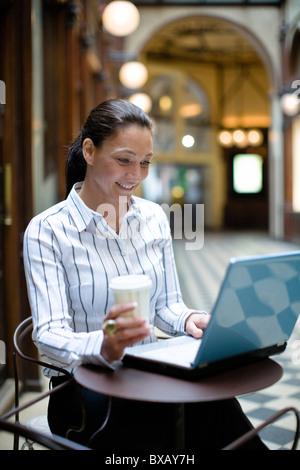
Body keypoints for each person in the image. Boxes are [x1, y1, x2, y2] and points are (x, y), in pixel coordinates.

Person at [23, 99, 267, 450]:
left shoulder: (152, 217)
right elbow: (47, 335)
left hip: (149, 374)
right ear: (89, 151)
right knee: (186, 419)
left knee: (214, 403)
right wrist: (104, 346)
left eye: (146, 163)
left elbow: (167, 305)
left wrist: (191, 320)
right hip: (85, 390)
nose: (135, 175)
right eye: (124, 160)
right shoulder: (48, 230)